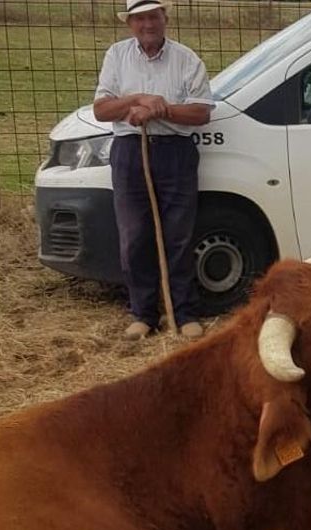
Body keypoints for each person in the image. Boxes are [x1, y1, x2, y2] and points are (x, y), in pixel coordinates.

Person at [93, 0, 214, 340]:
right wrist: (139, 99)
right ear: (130, 23)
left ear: (165, 18)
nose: (147, 24)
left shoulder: (186, 59)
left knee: (178, 235)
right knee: (134, 235)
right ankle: (143, 314)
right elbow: (102, 110)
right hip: (131, 151)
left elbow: (202, 113)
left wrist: (161, 110)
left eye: (153, 16)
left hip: (176, 153)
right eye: (140, 18)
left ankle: (183, 312)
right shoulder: (117, 56)